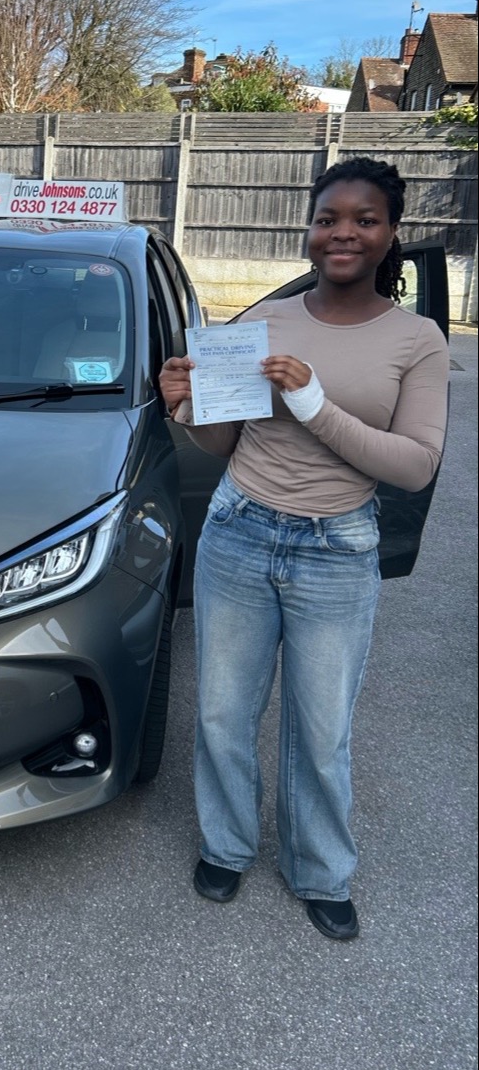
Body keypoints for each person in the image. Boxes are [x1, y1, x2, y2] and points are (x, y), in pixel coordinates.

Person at [159, 157, 449, 940]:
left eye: (362, 220)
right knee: (222, 711)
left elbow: (414, 464)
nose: (342, 233)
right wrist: (186, 409)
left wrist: (313, 402)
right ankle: (225, 845)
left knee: (320, 728)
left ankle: (319, 870)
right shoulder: (265, 325)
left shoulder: (414, 339)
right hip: (239, 532)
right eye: (327, 219)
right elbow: (226, 441)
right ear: (308, 230)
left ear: (391, 234)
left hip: (336, 548)